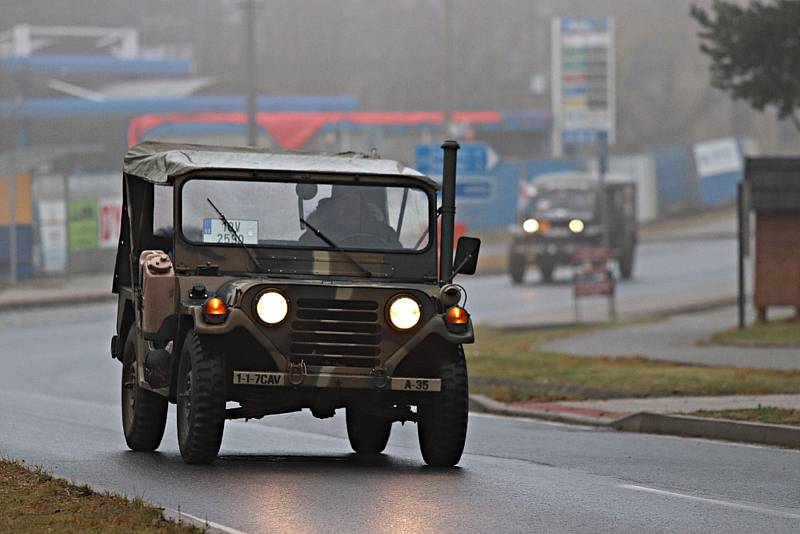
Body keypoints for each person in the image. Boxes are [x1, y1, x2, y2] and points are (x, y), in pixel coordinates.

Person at [300, 186, 401, 249]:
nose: (350, 204)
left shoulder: (385, 234)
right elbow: (301, 262)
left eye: (355, 199)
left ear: (362, 203)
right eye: (344, 199)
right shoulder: (317, 235)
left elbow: (399, 264)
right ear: (334, 204)